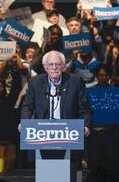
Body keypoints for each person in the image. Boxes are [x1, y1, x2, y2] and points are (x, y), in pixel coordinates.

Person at [21, 50, 92, 181]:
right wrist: (24, 123)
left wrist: (86, 126)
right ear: (45, 66)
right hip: (42, 136)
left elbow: (85, 109)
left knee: (66, 175)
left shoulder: (75, 82)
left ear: (63, 66)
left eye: (58, 64)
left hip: (69, 136)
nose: (54, 68)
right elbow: (28, 107)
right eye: (51, 64)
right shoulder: (35, 83)